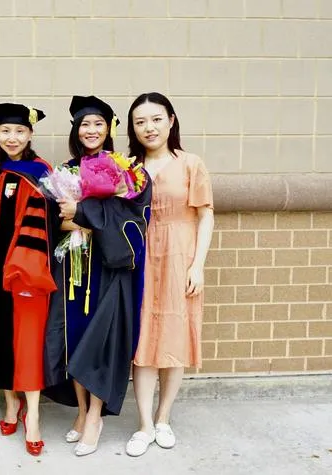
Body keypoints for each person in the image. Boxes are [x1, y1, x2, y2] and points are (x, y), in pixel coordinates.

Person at [46, 95, 152, 457]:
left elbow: (133, 219)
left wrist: (85, 213)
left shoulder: (128, 170)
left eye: (98, 124)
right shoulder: (67, 169)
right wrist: (84, 215)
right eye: (84, 124)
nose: (91, 130)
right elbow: (60, 219)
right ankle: (80, 412)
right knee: (75, 339)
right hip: (75, 266)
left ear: (110, 129)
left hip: (110, 271)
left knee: (99, 343)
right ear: (76, 130)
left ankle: (95, 416)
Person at [124, 92, 214, 457]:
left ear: (171, 121)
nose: (149, 127)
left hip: (180, 257)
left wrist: (198, 265)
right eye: (140, 121)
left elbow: (206, 213)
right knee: (143, 340)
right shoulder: (128, 166)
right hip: (140, 259)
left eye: (156, 119)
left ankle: (163, 418)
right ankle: (144, 424)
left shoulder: (190, 163)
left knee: (174, 338)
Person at [0, 103, 56, 457]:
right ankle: (11, 406)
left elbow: (41, 228)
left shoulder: (40, 173)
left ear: (30, 134)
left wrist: (25, 268)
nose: (12, 137)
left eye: (20, 131)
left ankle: (34, 416)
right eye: (6, 131)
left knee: (27, 342)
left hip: (26, 272)